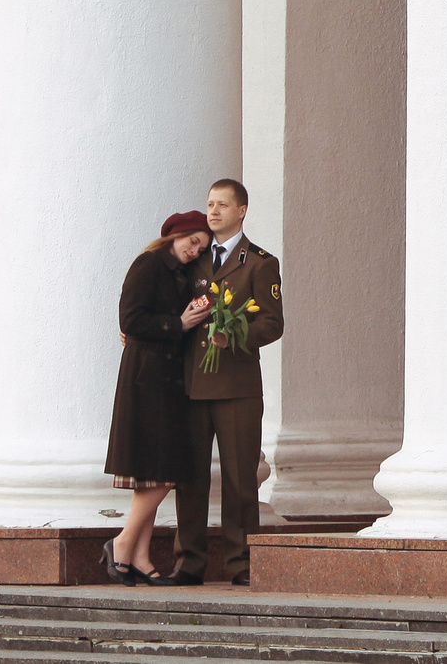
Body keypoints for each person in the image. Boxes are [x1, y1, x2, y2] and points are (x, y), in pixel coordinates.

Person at [167, 178, 283, 586]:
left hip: (237, 388)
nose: (213, 212)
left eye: (222, 205)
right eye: (210, 204)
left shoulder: (260, 262)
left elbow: (272, 323)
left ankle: (241, 563)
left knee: (239, 479)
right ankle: (189, 563)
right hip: (193, 385)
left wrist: (234, 335)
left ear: (241, 211)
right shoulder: (192, 258)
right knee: (190, 479)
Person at [103, 212, 215, 585]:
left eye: (201, 246)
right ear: (175, 235)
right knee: (163, 472)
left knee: (155, 472)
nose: (194, 250)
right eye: (192, 241)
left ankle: (138, 554)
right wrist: (177, 324)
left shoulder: (182, 275)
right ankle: (122, 543)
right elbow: (130, 320)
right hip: (145, 378)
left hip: (167, 381)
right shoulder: (149, 264)